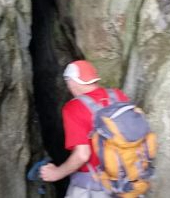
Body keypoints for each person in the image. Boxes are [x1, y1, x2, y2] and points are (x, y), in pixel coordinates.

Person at [40, 60, 129, 197]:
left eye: (68, 83)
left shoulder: (74, 108)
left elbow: (82, 155)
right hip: (127, 180)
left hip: (94, 186)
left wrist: (56, 173)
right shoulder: (118, 95)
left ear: (72, 82)